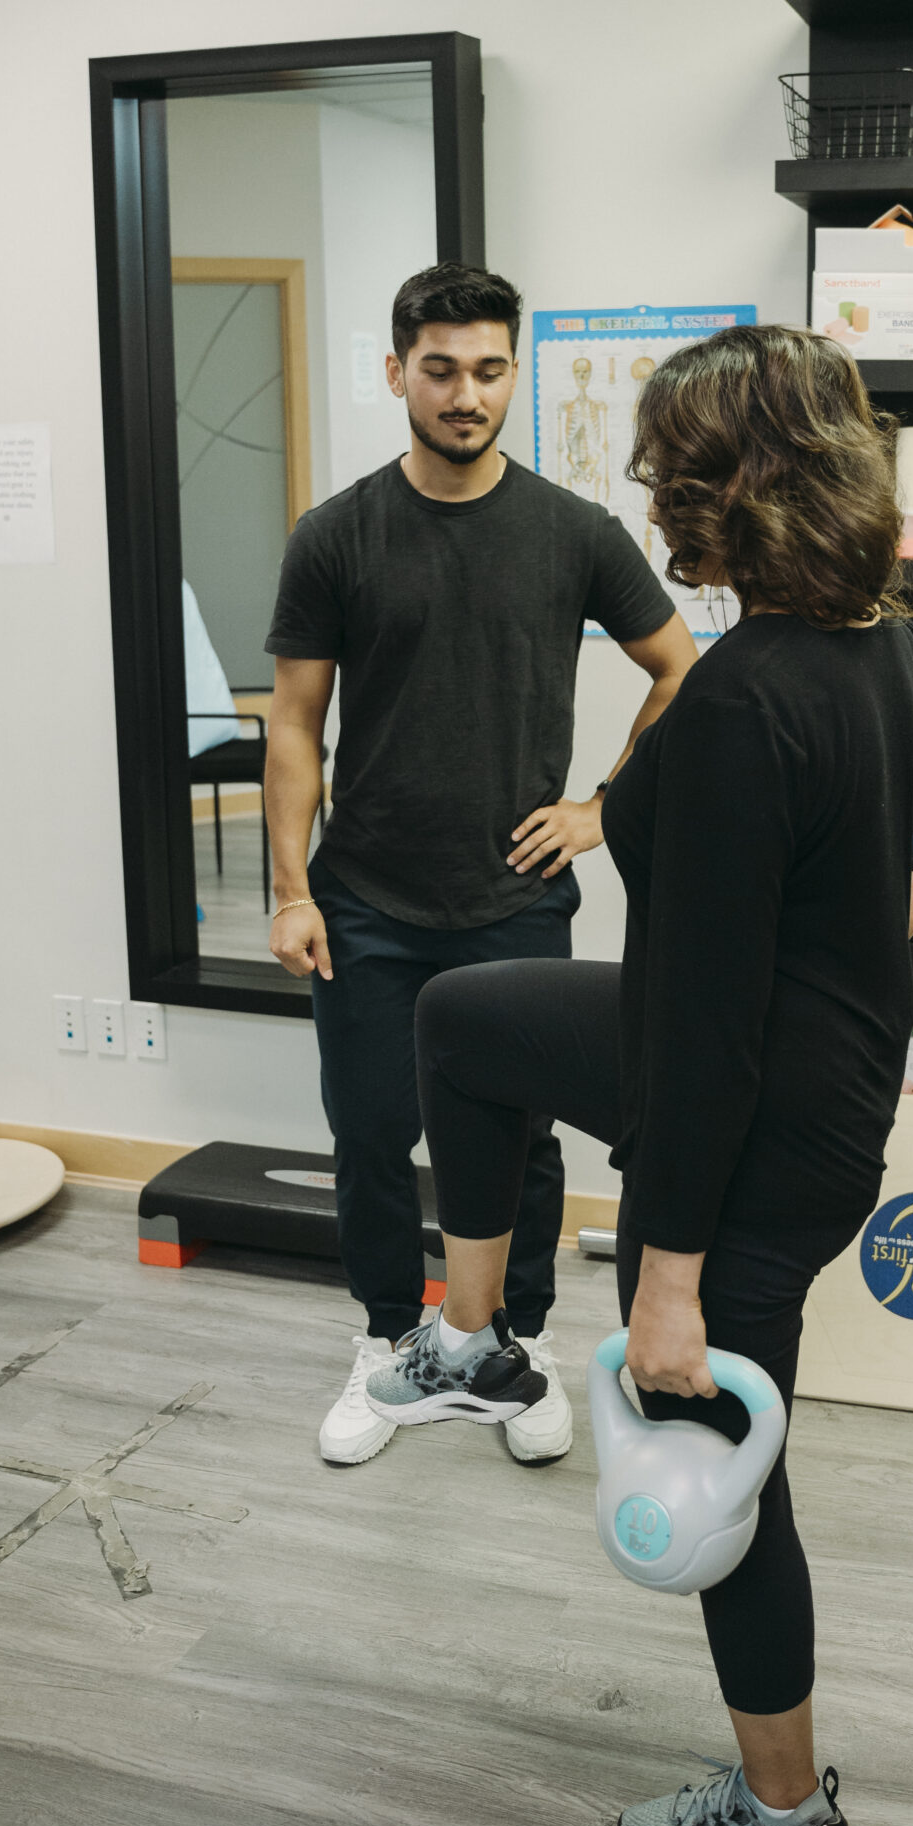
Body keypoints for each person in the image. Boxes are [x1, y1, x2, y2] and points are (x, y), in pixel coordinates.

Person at [365, 323, 913, 1826]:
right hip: (800, 1063)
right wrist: (893, 921)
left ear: (734, 483)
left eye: (675, 464)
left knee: (717, 1459)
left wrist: (664, 1280)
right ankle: (469, 1336)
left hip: (748, 1117)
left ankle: (786, 1825)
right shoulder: (870, 640)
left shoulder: (745, 699)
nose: (654, 487)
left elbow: (711, 1035)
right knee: (463, 1017)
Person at [263, 266, 698, 1469]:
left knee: (526, 1139)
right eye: (441, 368)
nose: (466, 393)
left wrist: (601, 809)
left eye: (489, 369)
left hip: (510, 899)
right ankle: (387, 1337)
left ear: (515, 374)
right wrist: (292, 887)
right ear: (396, 371)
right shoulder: (335, 534)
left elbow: (681, 673)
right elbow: (293, 721)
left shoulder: (573, 533)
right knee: (367, 1131)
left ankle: (513, 1342)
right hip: (364, 899)